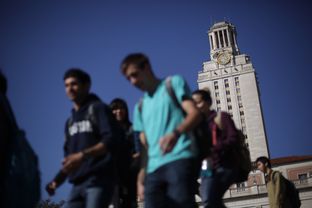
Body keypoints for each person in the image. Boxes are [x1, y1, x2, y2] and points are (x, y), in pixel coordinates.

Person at [121, 53, 202, 208]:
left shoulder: (173, 83)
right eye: (128, 79)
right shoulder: (139, 106)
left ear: (146, 67)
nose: (132, 82)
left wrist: (176, 133)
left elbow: (195, 113)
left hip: (179, 159)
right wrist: (141, 176)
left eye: (134, 75)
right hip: (153, 170)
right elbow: (145, 146)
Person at [46, 68, 116, 208]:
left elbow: (110, 140)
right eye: (66, 85)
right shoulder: (70, 122)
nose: (70, 89)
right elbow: (70, 160)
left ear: (87, 85)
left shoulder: (98, 109)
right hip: (77, 184)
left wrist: (82, 155)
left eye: (74, 84)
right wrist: (56, 181)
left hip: (98, 179)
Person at [192, 89, 239, 208]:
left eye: (199, 102)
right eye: (193, 104)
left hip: (224, 165)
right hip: (207, 168)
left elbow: (233, 138)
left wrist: (216, 148)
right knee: (210, 200)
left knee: (210, 199)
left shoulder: (221, 117)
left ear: (208, 102)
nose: (196, 106)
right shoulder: (196, 125)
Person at [110, 98, 140, 208]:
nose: (118, 111)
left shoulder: (133, 128)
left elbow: (139, 148)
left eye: (121, 108)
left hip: (130, 170)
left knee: (131, 201)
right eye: (115, 109)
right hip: (114, 173)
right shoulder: (107, 132)